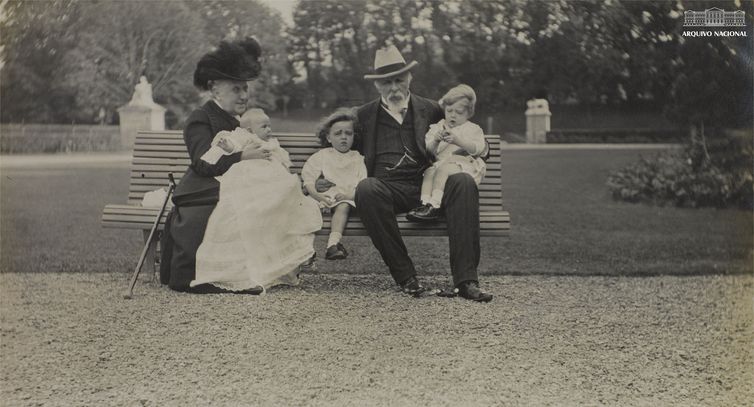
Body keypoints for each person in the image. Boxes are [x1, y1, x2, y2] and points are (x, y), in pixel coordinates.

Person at [319, 45, 493, 302]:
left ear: (409, 78)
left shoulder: (432, 109)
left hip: (430, 185)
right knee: (366, 188)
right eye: (387, 82)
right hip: (388, 189)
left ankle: (466, 281)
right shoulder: (363, 115)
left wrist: (480, 148)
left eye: (399, 79)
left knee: (464, 182)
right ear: (378, 86)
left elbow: (476, 142)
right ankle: (406, 276)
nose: (394, 88)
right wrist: (320, 179)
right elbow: (334, 143)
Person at [160, 37, 282, 293]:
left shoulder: (241, 121)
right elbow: (204, 163)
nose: (244, 95)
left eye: (245, 89)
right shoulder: (201, 118)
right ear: (216, 90)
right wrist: (242, 157)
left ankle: (252, 272)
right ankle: (229, 278)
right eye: (236, 89)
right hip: (201, 190)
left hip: (236, 185)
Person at [190, 108, 322, 292]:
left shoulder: (271, 144)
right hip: (249, 179)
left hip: (269, 179)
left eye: (270, 126)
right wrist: (226, 145)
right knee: (257, 202)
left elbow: (282, 161)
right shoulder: (244, 138)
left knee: (287, 186)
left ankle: (286, 261)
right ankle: (243, 274)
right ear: (250, 130)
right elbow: (232, 146)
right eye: (264, 126)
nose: (269, 130)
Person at [406, 84, 486, 222]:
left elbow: (477, 149)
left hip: (465, 165)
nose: (453, 115)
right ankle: (425, 205)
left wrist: (458, 140)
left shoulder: (472, 129)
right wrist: (436, 141)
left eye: (459, 112)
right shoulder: (437, 127)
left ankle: (435, 205)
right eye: (449, 111)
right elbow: (429, 152)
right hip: (441, 165)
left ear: (469, 113)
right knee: (429, 171)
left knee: (443, 170)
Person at [301, 108, 367, 260]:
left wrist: (349, 194)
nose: (343, 137)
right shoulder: (323, 155)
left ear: (353, 137)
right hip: (322, 196)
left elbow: (362, 182)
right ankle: (305, 250)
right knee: (305, 208)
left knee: (343, 206)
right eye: (338, 133)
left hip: (346, 196)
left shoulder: (357, 158)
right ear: (329, 138)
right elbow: (309, 180)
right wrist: (318, 197)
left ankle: (332, 245)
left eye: (348, 133)